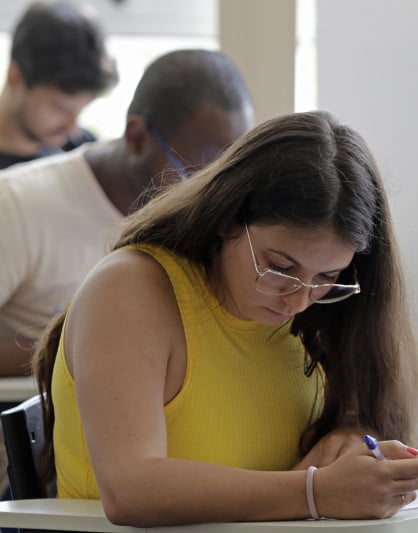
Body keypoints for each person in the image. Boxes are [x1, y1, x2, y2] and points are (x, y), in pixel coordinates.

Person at [32, 110, 418, 524]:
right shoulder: (131, 289)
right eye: (280, 267)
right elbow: (130, 488)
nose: (298, 301)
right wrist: (316, 492)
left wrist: (350, 438)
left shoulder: (318, 316)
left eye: (328, 277)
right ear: (228, 219)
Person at [0, 48, 255, 377]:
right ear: (136, 136)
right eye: (194, 172)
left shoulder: (214, 221)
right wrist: (84, 343)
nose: (211, 194)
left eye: (225, 176)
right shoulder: (16, 205)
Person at [0, 1, 118, 169]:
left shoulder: (83, 153)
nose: (72, 130)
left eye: (80, 110)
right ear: (15, 77)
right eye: (62, 108)